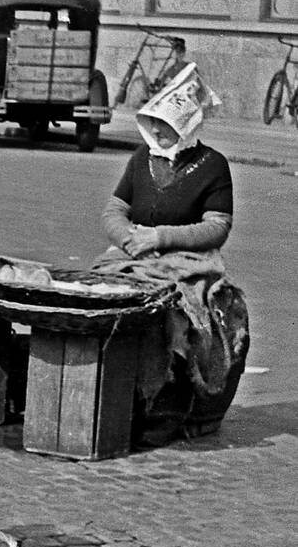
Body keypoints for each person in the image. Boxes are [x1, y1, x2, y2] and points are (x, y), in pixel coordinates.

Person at [93, 63, 247, 444]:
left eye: (165, 124)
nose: (157, 131)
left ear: (186, 125)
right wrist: (128, 239)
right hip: (132, 252)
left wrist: (159, 237)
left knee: (178, 315)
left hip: (187, 261)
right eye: (153, 122)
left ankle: (162, 407)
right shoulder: (141, 160)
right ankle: (107, 396)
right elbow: (114, 209)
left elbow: (217, 226)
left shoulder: (212, 165)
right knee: (98, 292)